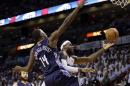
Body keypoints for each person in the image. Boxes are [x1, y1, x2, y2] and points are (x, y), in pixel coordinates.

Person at [12, 0, 114, 86]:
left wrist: (104, 48)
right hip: (58, 75)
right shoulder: (53, 44)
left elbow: (89, 58)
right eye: (69, 44)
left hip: (48, 80)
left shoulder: (34, 50)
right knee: (75, 81)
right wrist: (78, 8)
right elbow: (65, 23)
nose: (72, 46)